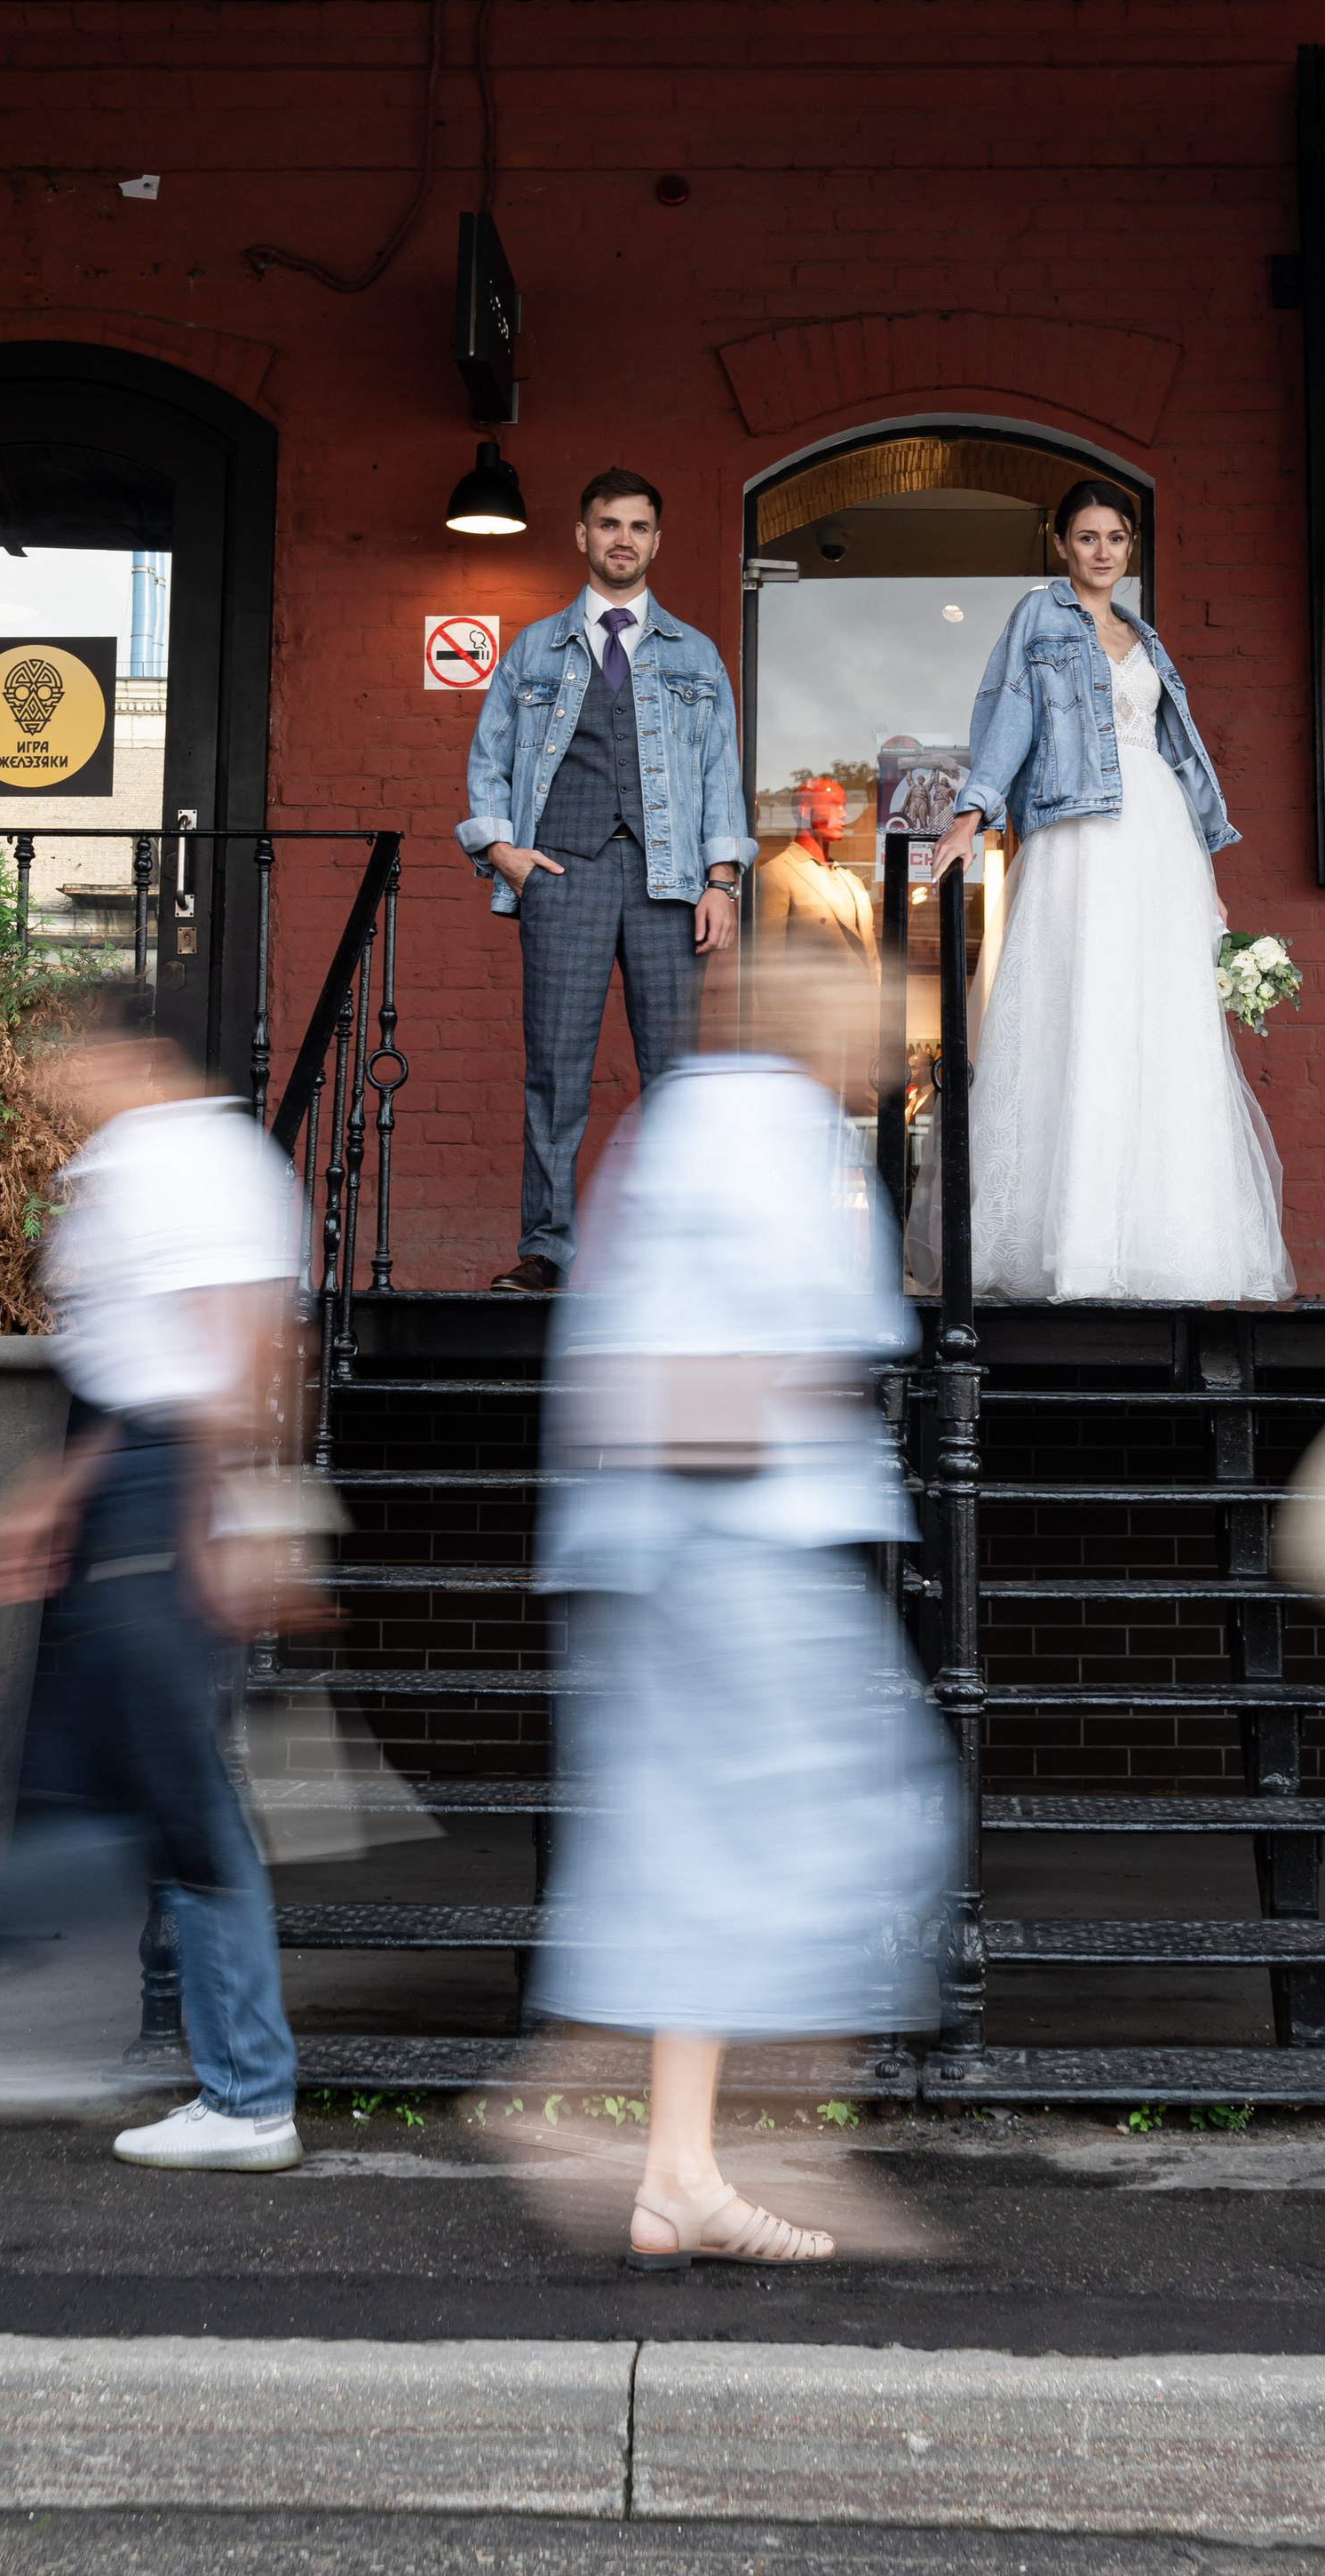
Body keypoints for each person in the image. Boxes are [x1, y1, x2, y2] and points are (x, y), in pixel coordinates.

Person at [527, 947, 952, 2269]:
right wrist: (791, 1404)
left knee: (701, 1847)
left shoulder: (686, 1119)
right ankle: (756, 2149)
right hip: (736, 1542)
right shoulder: (775, 1131)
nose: (896, 1042)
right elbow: (740, 1352)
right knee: (871, 1819)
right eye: (881, 1017)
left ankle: (679, 2172)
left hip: (672, 1541)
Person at [0, 995, 314, 2174]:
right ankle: (228, 2083)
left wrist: (233, 1514)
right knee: (135, 1778)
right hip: (136, 1479)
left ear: (142, 1055)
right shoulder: (136, 1160)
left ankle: (248, 2095)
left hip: (175, 1487)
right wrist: (53, 1499)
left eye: (79, 1053)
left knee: (178, 1796)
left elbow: (251, 1347)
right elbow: (133, 1357)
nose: (62, 1075)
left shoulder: (198, 1159)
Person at [924, 475, 1292, 1305]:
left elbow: (1178, 758)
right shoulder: (1038, 618)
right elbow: (1007, 715)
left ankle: (1168, 1244)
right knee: (1079, 1012)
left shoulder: (1145, 637)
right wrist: (971, 813)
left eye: (1116, 539)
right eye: (1086, 537)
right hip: (1079, 833)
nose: (1101, 552)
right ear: (1062, 545)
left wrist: (1208, 880)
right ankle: (1074, 1246)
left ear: (1130, 549)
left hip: (1159, 840)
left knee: (1158, 1024)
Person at [458, 467, 752, 1294]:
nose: (623, 539)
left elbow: (719, 772)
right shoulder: (533, 649)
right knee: (556, 1069)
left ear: (656, 541)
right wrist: (502, 852)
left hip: (670, 882)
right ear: (582, 536)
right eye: (607, 524)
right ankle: (550, 1249)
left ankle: (673, 1250)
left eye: (638, 527)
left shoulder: (695, 654)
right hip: (566, 875)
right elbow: (487, 760)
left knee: (673, 1072)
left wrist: (721, 881)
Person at [755, 776, 877, 973]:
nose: (844, 814)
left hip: (862, 1001)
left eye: (843, 806)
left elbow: (872, 957)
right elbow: (767, 965)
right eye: (833, 805)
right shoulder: (777, 874)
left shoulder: (852, 881)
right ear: (805, 810)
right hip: (812, 1000)